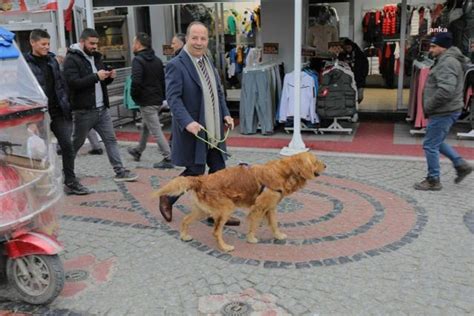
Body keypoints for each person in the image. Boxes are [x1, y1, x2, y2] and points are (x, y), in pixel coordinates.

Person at [159, 21, 240, 226]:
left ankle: (215, 213)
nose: (199, 42)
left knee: (218, 172)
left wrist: (226, 114)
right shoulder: (176, 65)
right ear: (187, 38)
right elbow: (173, 98)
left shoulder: (208, 61)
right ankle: (167, 197)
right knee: (195, 171)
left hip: (213, 129)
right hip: (195, 129)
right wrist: (187, 122)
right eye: (194, 37)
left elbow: (217, 92)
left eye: (203, 38)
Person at [63, 28, 138, 183]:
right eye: (91, 43)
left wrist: (109, 77)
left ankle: (120, 171)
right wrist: (95, 76)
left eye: (96, 44)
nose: (94, 47)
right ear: (82, 41)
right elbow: (72, 83)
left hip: (102, 109)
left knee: (111, 140)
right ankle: (67, 173)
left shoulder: (96, 57)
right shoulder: (71, 59)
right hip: (83, 110)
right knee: (75, 144)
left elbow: (99, 82)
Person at [25, 29, 89, 195]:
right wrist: (30, 120)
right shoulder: (25, 64)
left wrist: (66, 104)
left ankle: (70, 181)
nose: (47, 47)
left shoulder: (53, 61)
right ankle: (41, 183)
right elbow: (25, 92)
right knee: (41, 150)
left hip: (58, 112)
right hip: (38, 115)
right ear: (33, 43)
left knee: (67, 146)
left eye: (48, 44)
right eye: (43, 44)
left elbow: (61, 85)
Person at [414, 32, 473, 191]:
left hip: (443, 111)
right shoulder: (446, 60)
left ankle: (434, 179)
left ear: (444, 47)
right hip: (447, 110)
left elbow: (446, 90)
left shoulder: (447, 63)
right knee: (436, 141)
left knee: (430, 145)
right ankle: (460, 164)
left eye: (434, 46)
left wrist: (430, 105)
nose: (430, 50)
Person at [126, 32, 173, 169]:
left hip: (146, 101)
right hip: (157, 100)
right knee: (147, 126)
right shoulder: (157, 60)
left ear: (139, 44)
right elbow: (162, 80)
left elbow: (136, 82)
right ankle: (138, 150)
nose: (133, 45)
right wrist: (163, 97)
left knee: (155, 130)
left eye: (134, 42)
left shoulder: (138, 61)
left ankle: (168, 157)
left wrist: (135, 97)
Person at [338, 38, 369, 103]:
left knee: (360, 96)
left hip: (359, 78)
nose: (347, 49)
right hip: (347, 78)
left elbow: (365, 65)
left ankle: (356, 105)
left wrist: (363, 75)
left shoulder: (360, 54)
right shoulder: (342, 55)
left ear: (352, 46)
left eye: (349, 47)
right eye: (346, 48)